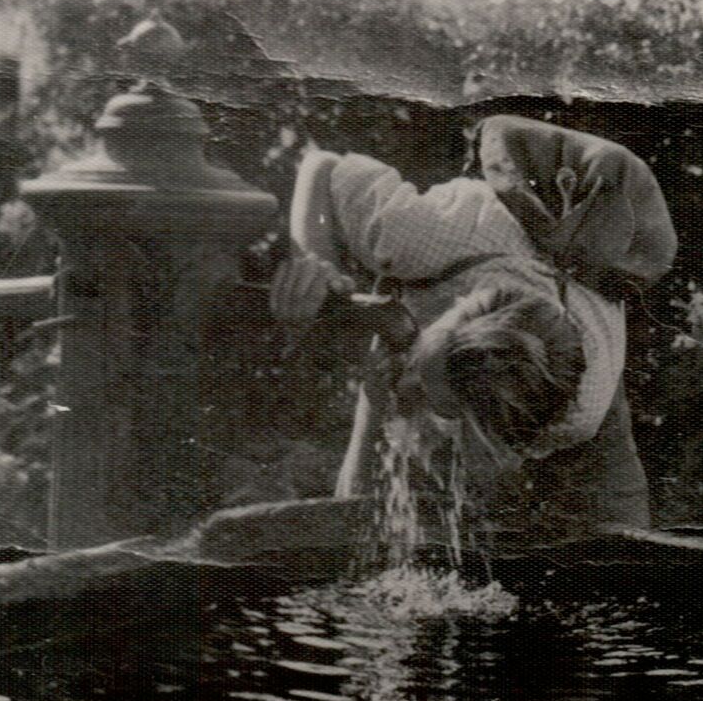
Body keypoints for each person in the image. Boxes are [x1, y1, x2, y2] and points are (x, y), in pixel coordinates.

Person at [270, 115, 676, 540]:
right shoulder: (416, 234)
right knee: (384, 512)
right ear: (453, 311)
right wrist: (319, 268)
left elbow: (486, 451)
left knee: (623, 554)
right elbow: (321, 166)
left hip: (574, 374)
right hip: (471, 251)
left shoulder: (584, 408)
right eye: (421, 369)